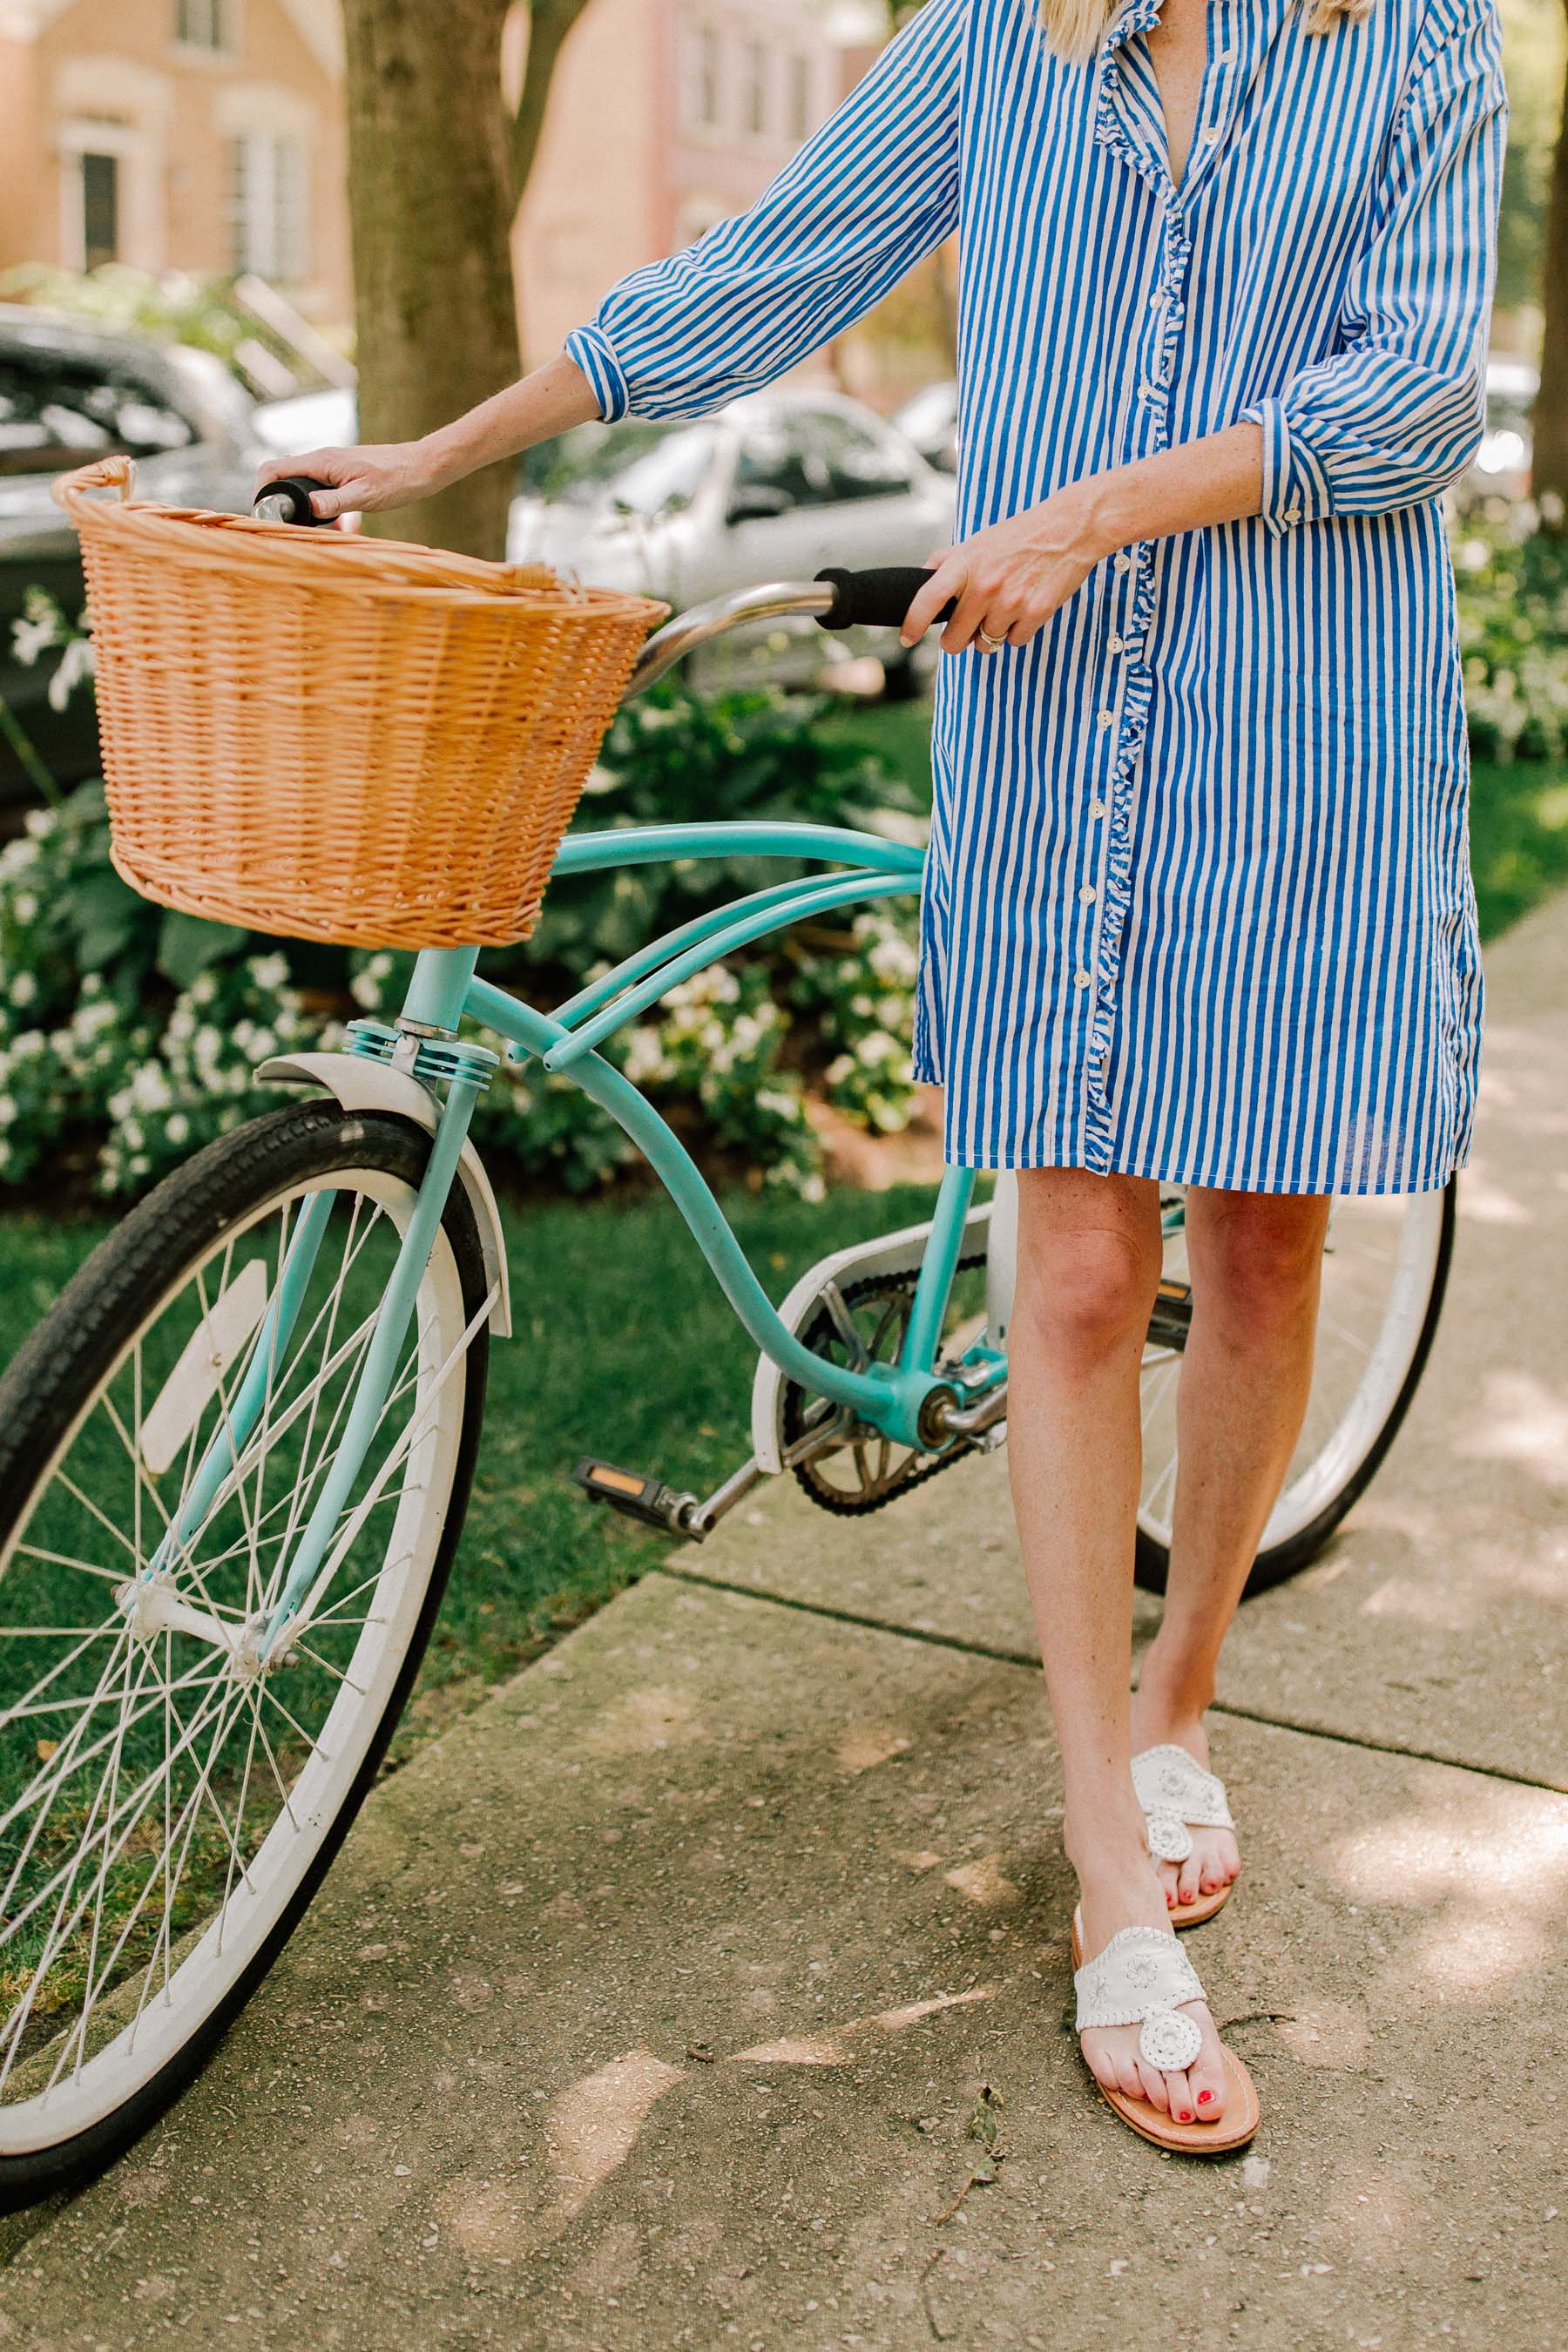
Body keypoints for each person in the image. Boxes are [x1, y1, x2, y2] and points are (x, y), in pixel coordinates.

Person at [260, 0, 1506, 2152]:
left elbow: (1407, 398)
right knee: (1088, 1275)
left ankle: (1179, 1693)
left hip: (1304, 736)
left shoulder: (1414, 40)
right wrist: (436, 455)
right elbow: (760, 271)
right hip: (1049, 735)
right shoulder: (1003, 41)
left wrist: (1090, 513)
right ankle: (1108, 1857)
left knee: (1268, 1247)